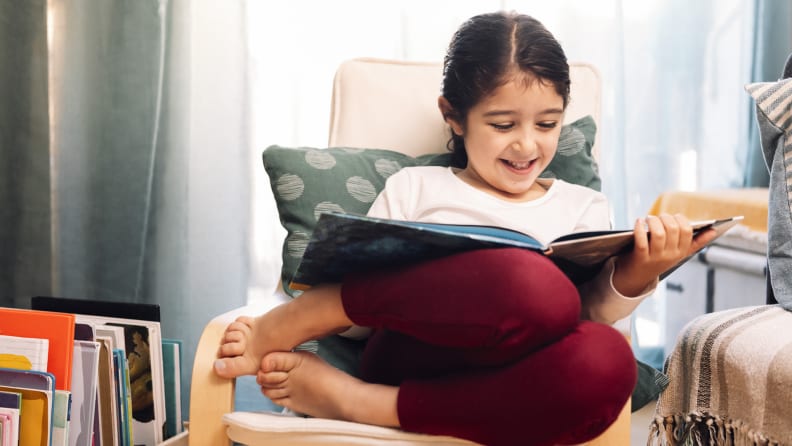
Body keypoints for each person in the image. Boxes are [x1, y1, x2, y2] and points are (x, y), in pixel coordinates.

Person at [214, 11, 716, 446]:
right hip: (414, 354)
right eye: (502, 125)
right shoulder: (417, 188)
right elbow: (367, 324)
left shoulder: (584, 205)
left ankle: (361, 404)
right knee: (535, 286)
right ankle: (304, 314)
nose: (526, 146)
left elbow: (585, 324)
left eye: (547, 124)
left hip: (514, 382)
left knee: (608, 361)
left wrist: (636, 273)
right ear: (453, 117)